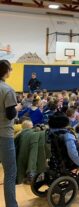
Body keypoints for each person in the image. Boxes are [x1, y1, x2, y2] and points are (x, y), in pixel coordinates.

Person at [0, 60, 20, 207]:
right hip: (4, 135)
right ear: (6, 71)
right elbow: (10, 114)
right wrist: (17, 107)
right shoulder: (7, 90)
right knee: (10, 172)